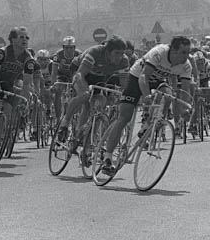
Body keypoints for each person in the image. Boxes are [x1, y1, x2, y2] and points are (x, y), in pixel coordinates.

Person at [99, 36, 193, 176]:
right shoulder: (159, 52)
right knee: (124, 117)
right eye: (184, 52)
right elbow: (144, 77)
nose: (187, 56)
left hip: (159, 81)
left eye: (188, 52)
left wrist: (185, 108)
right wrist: (147, 97)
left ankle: (147, 126)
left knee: (168, 94)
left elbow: (184, 90)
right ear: (174, 50)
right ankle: (107, 157)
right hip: (137, 77)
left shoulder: (186, 66)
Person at [61, 36, 129, 151]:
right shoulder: (95, 52)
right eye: (116, 53)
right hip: (80, 71)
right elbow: (80, 75)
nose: (119, 57)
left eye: (122, 53)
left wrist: (124, 97)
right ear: (107, 51)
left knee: (99, 103)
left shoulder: (124, 61)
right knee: (84, 96)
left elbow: (124, 84)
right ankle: (65, 123)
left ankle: (84, 136)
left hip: (99, 76)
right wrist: (85, 90)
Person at [51, 36, 81, 119]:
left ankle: (76, 114)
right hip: (62, 75)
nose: (69, 50)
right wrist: (53, 84)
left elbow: (82, 71)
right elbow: (54, 72)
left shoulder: (79, 55)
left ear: (74, 48)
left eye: (71, 48)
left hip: (74, 75)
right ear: (63, 48)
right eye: (67, 48)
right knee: (58, 90)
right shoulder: (58, 55)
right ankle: (58, 117)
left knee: (78, 91)